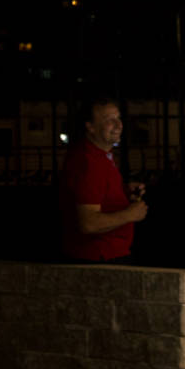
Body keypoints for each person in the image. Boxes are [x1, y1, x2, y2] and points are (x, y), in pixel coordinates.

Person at [59, 98, 147, 263]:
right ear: (90, 127)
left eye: (118, 118)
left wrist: (123, 191)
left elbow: (94, 191)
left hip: (106, 254)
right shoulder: (89, 162)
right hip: (99, 257)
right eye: (109, 120)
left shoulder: (102, 154)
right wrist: (130, 214)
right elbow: (88, 223)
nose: (118, 125)